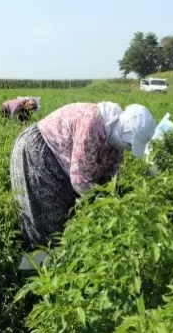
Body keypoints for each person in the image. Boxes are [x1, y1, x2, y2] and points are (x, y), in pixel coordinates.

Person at [10, 101, 156, 254]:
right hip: (39, 154)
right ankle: (37, 267)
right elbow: (80, 181)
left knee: (65, 219)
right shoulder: (93, 123)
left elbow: (111, 176)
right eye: (130, 144)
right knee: (50, 226)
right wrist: (101, 204)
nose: (128, 148)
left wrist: (116, 202)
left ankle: (55, 261)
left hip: (59, 162)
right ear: (126, 132)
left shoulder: (115, 137)